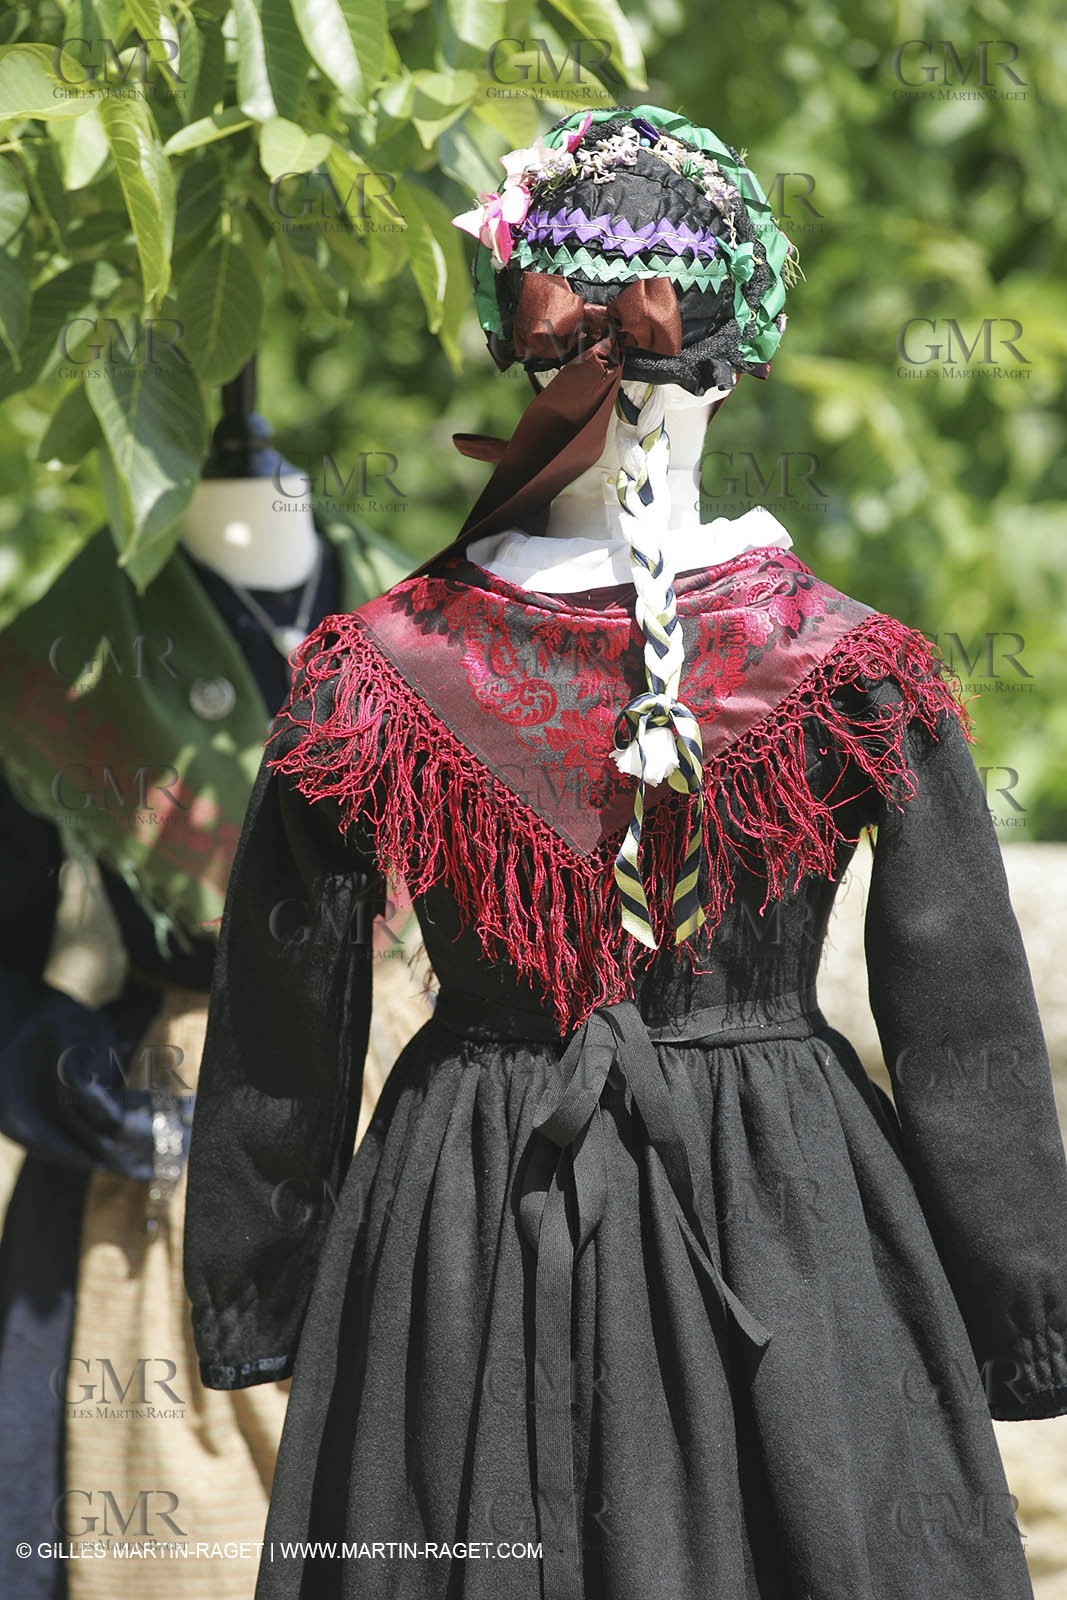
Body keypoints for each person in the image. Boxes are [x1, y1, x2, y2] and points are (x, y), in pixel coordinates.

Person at [183, 104, 1067, 1600]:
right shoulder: (860, 670)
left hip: (463, 1224)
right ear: (737, 361)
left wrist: (256, 1296)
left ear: (523, 358)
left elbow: (282, 1028)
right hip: (787, 1216)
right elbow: (961, 1028)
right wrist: (1020, 1311)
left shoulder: (370, 673)